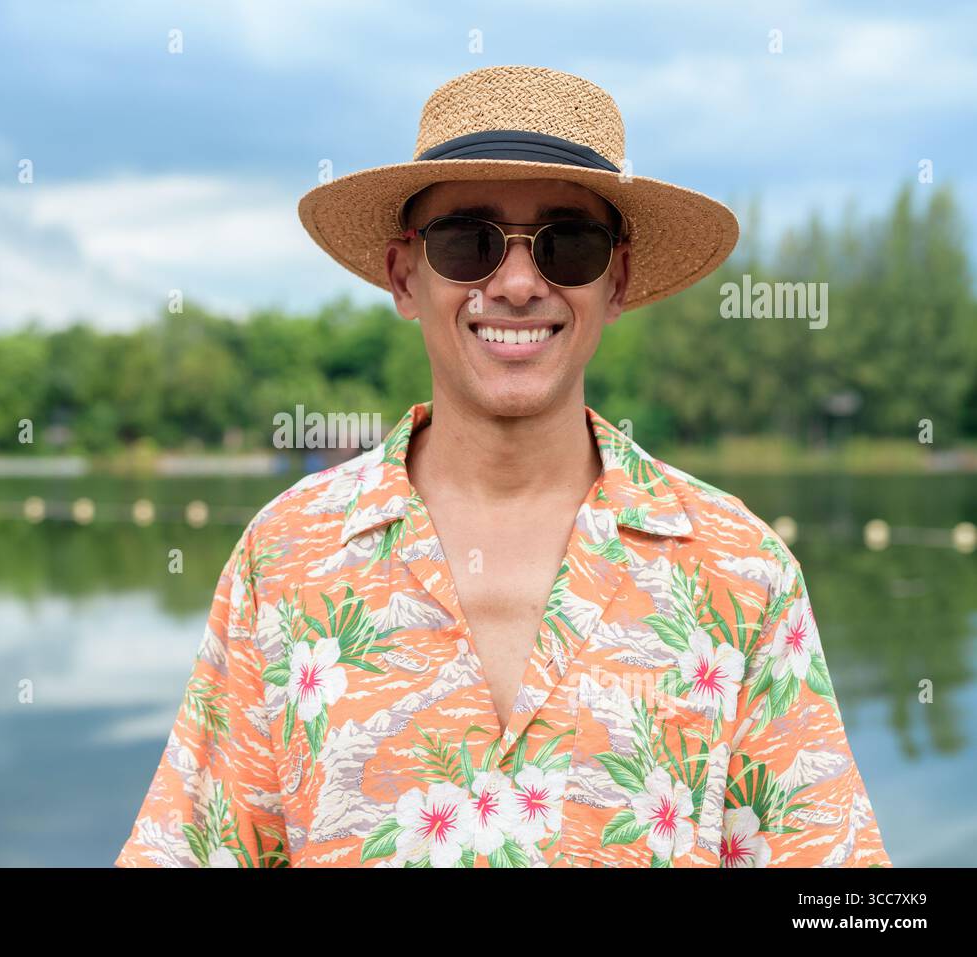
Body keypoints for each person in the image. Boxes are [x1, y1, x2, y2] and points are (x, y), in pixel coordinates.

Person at [114, 65, 891, 868]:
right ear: (403, 277)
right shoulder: (282, 561)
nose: (518, 284)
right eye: (467, 242)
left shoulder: (744, 574)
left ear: (617, 280)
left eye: (569, 245)